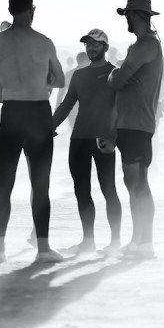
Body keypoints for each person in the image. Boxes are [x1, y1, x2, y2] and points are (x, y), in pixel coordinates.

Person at [0, 0, 65, 263]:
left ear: (10, 10)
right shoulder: (44, 42)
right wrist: (40, 80)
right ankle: (43, 249)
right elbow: (60, 80)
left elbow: (1, 74)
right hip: (37, 110)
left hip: (11, 110)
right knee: (40, 183)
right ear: (32, 10)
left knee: (4, 182)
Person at [52, 29, 122, 256]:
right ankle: (88, 241)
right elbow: (67, 105)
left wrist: (113, 138)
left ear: (105, 47)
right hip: (80, 138)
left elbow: (122, 108)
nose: (91, 48)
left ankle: (115, 243)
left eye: (96, 44)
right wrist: (49, 127)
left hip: (103, 140)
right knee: (81, 191)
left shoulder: (115, 73)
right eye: (88, 44)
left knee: (108, 189)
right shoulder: (79, 75)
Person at [108, 0, 164, 259]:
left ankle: (146, 242)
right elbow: (123, 78)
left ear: (136, 15)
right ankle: (138, 241)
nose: (126, 20)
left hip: (137, 123)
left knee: (138, 183)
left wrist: (114, 73)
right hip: (131, 122)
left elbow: (118, 80)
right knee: (133, 183)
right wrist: (120, 74)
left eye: (128, 15)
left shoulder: (146, 44)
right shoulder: (142, 45)